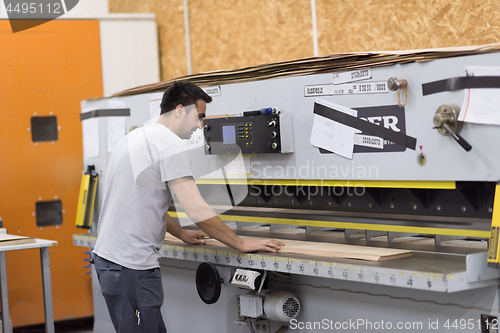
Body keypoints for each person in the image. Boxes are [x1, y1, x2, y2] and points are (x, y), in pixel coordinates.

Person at [92, 81, 284, 333]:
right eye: (199, 117)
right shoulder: (170, 145)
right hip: (131, 268)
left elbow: (143, 202)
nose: (200, 126)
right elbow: (196, 209)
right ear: (180, 110)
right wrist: (241, 243)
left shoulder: (136, 135)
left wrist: (180, 233)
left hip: (111, 262)